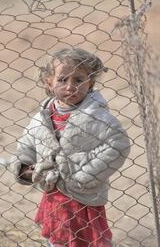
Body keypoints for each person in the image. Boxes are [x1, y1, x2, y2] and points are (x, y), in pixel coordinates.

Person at [11, 47, 131, 247]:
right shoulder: (42, 117)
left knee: (89, 240)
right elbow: (27, 144)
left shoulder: (97, 116)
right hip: (53, 195)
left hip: (83, 195)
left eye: (78, 80)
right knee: (57, 239)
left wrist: (85, 174)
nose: (70, 86)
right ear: (49, 83)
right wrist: (25, 168)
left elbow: (118, 145)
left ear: (90, 82)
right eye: (63, 79)